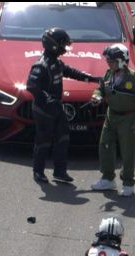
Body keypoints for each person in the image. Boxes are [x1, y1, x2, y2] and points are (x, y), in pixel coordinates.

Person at [26, 27, 100, 184]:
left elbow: (71, 72)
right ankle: (38, 172)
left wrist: (91, 79)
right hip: (43, 110)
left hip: (57, 109)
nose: (65, 49)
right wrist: (47, 99)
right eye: (63, 45)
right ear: (53, 45)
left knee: (63, 139)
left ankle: (60, 171)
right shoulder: (41, 65)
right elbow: (32, 86)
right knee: (43, 141)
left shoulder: (56, 62)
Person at [90, 44, 135, 197]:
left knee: (127, 152)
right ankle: (108, 178)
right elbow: (101, 88)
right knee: (104, 145)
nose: (108, 64)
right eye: (108, 61)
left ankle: (128, 182)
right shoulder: (109, 74)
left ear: (122, 61)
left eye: (112, 61)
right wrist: (97, 95)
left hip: (129, 119)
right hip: (112, 116)